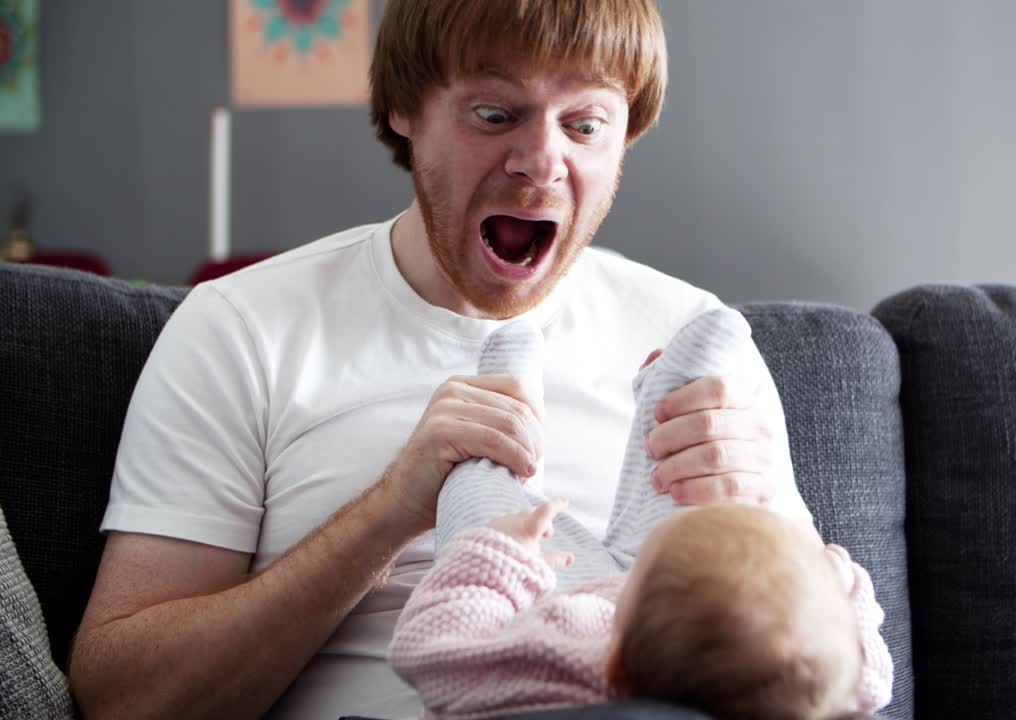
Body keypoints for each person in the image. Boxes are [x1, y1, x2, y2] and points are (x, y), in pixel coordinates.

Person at [67, 2, 817, 719]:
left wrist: (761, 520)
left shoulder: (695, 339)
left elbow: (835, 667)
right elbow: (124, 702)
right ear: (406, 110)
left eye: (585, 125)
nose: (540, 164)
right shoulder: (240, 329)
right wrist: (389, 512)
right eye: (495, 115)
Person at [388, 310, 893, 719]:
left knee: (480, 484)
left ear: (612, 661)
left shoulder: (546, 668)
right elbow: (867, 664)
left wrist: (497, 556)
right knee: (708, 523)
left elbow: (433, 643)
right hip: (695, 597)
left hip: (543, 589)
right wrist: (828, 578)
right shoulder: (829, 689)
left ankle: (504, 416)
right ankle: (674, 395)